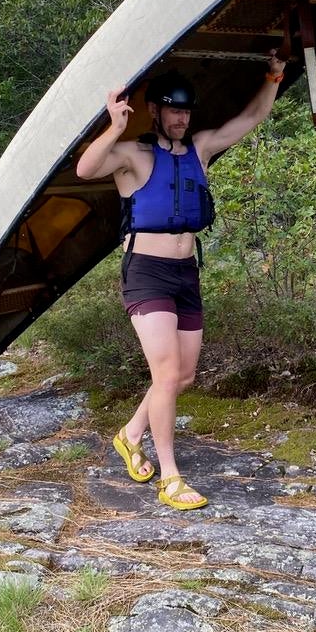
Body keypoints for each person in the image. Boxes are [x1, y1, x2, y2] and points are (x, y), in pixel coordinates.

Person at [75, 52, 287, 509]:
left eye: (186, 110)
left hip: (185, 272)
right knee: (167, 373)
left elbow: (252, 117)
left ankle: (131, 434)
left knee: (182, 374)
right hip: (146, 273)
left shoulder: (201, 148)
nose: (180, 118)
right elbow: (86, 168)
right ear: (155, 110)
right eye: (173, 109)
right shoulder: (133, 154)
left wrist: (274, 75)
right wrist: (114, 125)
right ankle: (170, 477)